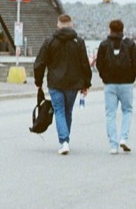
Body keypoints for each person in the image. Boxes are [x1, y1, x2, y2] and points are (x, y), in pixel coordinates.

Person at [33, 14, 92, 155]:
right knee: (67, 112)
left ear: (58, 25)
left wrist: (38, 82)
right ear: (71, 25)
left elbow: (39, 63)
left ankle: (64, 141)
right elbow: (85, 64)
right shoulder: (79, 42)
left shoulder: (50, 41)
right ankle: (65, 140)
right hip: (73, 84)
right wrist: (86, 84)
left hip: (55, 83)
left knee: (59, 110)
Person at [94, 18, 136, 154]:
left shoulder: (104, 45)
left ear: (110, 29)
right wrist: (131, 78)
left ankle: (113, 145)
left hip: (110, 84)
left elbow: (99, 64)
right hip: (126, 83)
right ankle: (124, 138)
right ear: (122, 29)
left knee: (110, 114)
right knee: (127, 111)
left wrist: (104, 78)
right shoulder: (130, 44)